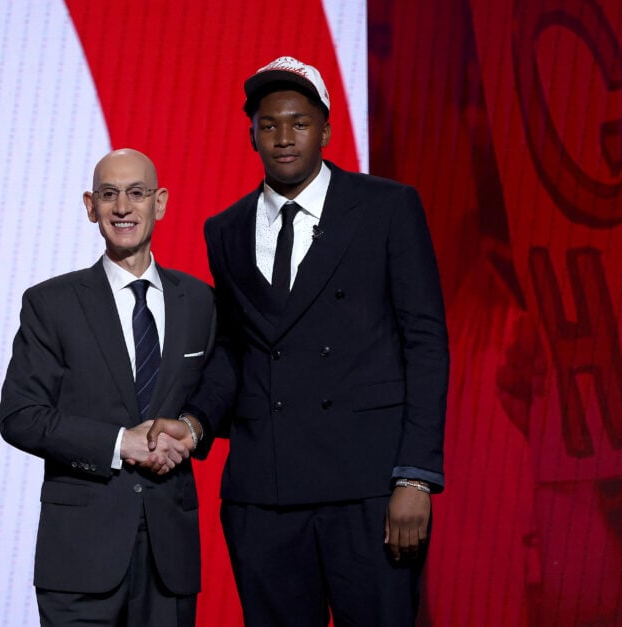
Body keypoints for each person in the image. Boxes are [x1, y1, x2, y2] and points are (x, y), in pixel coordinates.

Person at [148, 56, 450, 626]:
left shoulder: (386, 207)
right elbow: (235, 351)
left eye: (299, 123)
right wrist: (193, 423)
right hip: (265, 493)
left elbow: (426, 344)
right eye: (269, 125)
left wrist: (416, 476)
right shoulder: (225, 228)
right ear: (252, 135)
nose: (284, 138)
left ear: (326, 130)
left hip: (368, 487)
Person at [0, 148, 215, 627]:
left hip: (170, 558)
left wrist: (191, 428)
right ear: (90, 206)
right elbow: (20, 415)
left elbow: (220, 391)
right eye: (109, 194)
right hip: (79, 556)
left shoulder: (199, 302)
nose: (123, 207)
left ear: (159, 203)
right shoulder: (50, 303)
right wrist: (120, 443)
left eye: (136, 193)